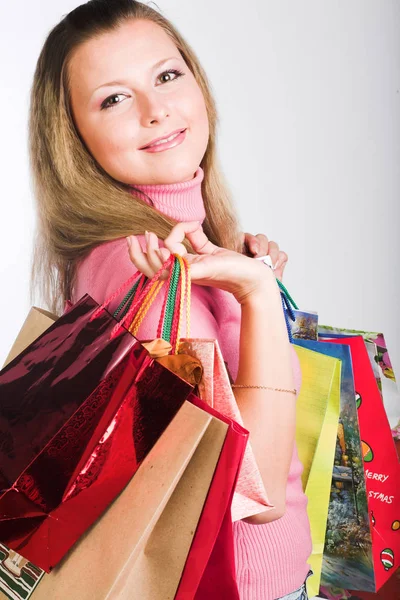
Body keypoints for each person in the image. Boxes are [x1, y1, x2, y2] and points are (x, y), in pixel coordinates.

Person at [29, 1, 312, 598]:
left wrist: (248, 282)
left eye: (166, 75)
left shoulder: (163, 246)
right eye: (114, 98)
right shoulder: (148, 272)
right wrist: (256, 298)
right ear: (73, 136)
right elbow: (250, 497)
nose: (157, 111)